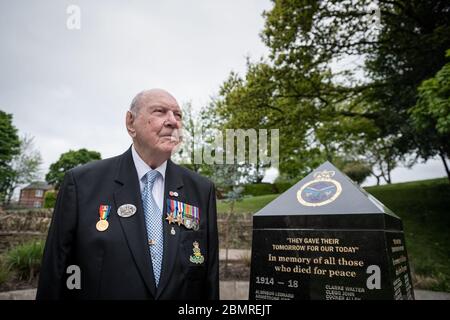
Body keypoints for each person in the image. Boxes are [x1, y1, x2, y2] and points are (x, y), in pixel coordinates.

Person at [36, 89, 219, 300]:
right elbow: (56, 272)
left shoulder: (201, 190)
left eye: (178, 115)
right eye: (160, 112)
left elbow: (209, 277)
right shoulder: (81, 184)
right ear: (131, 122)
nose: (173, 122)